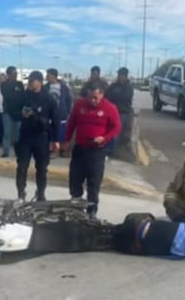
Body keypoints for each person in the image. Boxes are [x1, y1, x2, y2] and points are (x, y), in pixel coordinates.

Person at [65, 80, 121, 216]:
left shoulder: (110, 108)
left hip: (97, 151)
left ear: (102, 94)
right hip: (80, 149)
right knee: (75, 181)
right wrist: (66, 141)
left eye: (95, 97)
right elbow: (71, 122)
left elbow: (117, 127)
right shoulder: (79, 104)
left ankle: (91, 213)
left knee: (93, 184)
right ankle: (75, 210)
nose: (92, 100)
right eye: (90, 97)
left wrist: (104, 138)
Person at [15, 71, 60, 202]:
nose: (29, 83)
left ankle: (40, 194)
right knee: (22, 167)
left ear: (39, 82)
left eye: (32, 80)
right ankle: (20, 194)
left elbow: (55, 119)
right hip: (25, 136)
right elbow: (13, 112)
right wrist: (22, 114)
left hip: (42, 137)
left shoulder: (48, 98)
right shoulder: (23, 96)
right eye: (29, 81)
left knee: (42, 168)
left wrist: (55, 140)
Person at [105, 67, 134, 158]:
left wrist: (114, 99)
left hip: (122, 113)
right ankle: (105, 150)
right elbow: (106, 96)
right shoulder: (113, 86)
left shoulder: (128, 87)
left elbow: (124, 98)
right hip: (110, 112)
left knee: (116, 133)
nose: (119, 77)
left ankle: (110, 152)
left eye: (121, 75)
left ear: (125, 76)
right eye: (118, 75)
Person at [46, 68, 73, 158]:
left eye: (48, 75)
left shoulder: (64, 87)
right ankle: (52, 150)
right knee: (50, 133)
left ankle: (59, 151)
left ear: (53, 76)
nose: (47, 77)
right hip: (50, 114)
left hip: (61, 114)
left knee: (60, 134)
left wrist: (68, 112)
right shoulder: (46, 87)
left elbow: (69, 100)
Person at [0, 66, 26, 158]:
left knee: (18, 134)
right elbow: (8, 95)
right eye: (13, 74)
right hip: (7, 112)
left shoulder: (20, 84)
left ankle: (18, 151)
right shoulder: (4, 84)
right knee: (7, 132)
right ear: (8, 74)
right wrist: (15, 91)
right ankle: (6, 151)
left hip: (18, 112)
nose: (15, 75)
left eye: (16, 74)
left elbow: (23, 96)